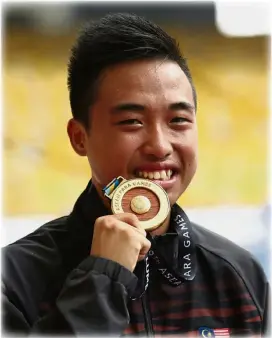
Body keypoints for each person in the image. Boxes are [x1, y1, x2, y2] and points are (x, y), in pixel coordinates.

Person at [2, 12, 269, 337]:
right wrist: (104, 277)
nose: (159, 146)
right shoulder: (13, 278)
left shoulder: (239, 275)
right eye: (132, 122)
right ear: (79, 138)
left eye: (178, 121)